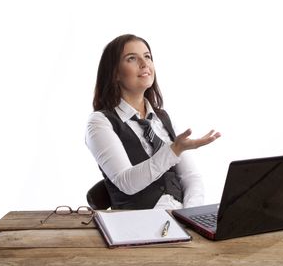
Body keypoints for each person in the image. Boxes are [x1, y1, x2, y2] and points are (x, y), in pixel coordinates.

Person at [85, 34, 221, 210]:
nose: (144, 64)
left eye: (147, 56)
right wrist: (174, 149)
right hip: (139, 223)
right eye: (132, 58)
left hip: (180, 215)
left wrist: (190, 216)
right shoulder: (100, 122)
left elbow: (191, 177)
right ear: (115, 73)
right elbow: (127, 182)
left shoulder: (162, 118)